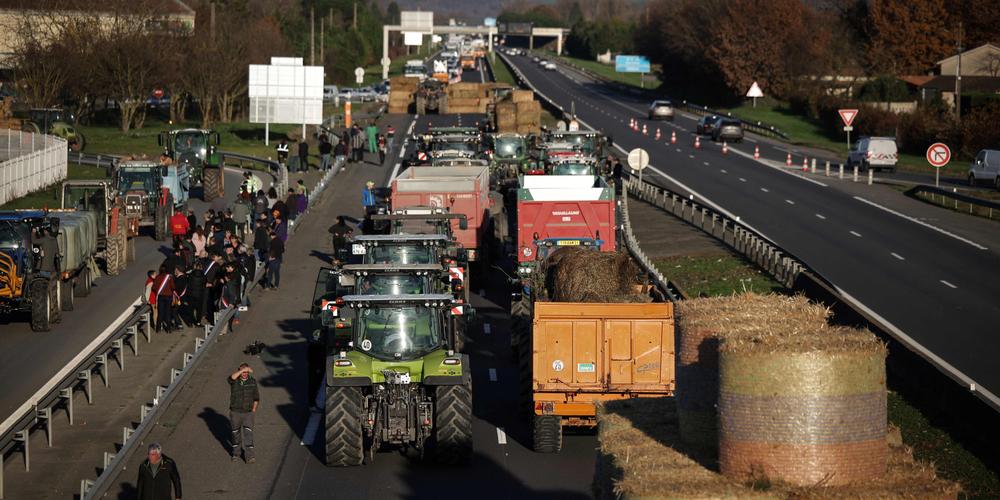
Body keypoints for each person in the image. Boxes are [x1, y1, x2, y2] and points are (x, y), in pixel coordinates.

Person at [228, 363, 260, 463]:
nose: (245, 374)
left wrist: (253, 410)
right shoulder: (235, 381)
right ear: (240, 371)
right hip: (235, 412)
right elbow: (230, 378)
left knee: (248, 435)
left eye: (246, 372)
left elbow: (256, 397)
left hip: (248, 413)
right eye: (243, 372)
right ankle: (236, 454)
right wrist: (242, 370)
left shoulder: (252, 381)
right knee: (235, 434)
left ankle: (250, 457)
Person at [152, 265, 175, 333]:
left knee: (160, 313)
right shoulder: (169, 277)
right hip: (168, 296)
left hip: (161, 296)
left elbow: (154, 287)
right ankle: (168, 329)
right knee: (168, 312)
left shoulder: (157, 277)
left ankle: (158, 329)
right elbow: (173, 287)